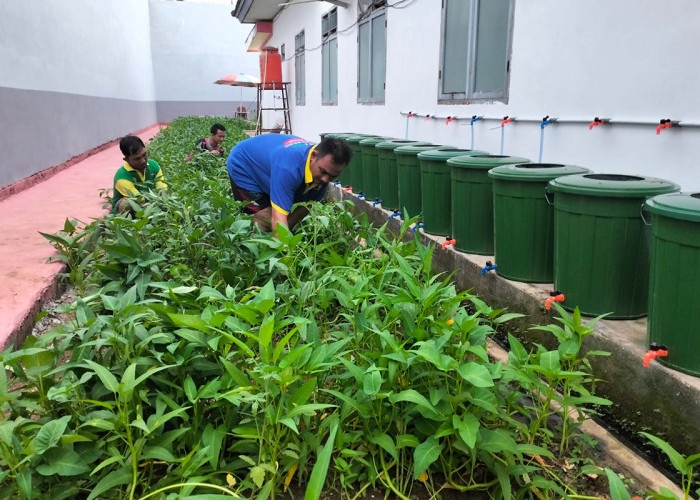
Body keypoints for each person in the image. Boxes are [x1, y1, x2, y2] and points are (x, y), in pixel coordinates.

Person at [226, 134, 352, 232]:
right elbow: (278, 219)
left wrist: (287, 230)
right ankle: (252, 253)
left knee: (294, 212)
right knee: (266, 218)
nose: (326, 180)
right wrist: (285, 259)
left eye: (332, 176)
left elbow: (308, 205)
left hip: (271, 165)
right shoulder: (288, 167)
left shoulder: (320, 170)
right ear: (314, 156)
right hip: (244, 167)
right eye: (323, 171)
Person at [111, 135, 167, 214]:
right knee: (127, 203)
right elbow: (139, 200)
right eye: (137, 159)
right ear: (126, 160)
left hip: (149, 206)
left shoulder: (154, 166)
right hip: (128, 213)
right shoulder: (122, 177)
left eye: (144, 155)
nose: (143, 161)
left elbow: (162, 188)